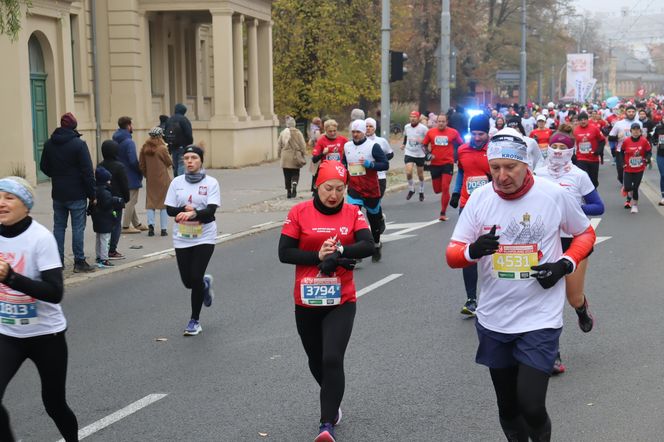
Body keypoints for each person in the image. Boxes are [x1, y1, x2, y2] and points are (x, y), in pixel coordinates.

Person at [446, 130, 596, 442]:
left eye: (510, 167)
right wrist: (473, 250)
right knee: (508, 405)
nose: (502, 176)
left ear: (526, 165)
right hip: (494, 318)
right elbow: (452, 255)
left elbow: (585, 234)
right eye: (495, 168)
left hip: (540, 317)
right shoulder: (479, 200)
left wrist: (563, 265)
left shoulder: (553, 194)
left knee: (531, 404)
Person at [277, 160, 375, 442]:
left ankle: (326, 423)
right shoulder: (299, 212)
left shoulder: (352, 212)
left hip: (341, 299)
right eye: (328, 188)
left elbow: (367, 244)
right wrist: (317, 257)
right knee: (316, 359)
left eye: (340, 189)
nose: (333, 195)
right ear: (317, 187)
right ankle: (332, 399)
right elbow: (284, 252)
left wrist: (341, 250)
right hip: (306, 300)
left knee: (332, 357)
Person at [0, 176, 80, 442]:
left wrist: (11, 277)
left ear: (26, 205)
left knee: (54, 404)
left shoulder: (40, 239)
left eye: (9, 197)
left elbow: (54, 292)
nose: (1, 203)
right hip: (8, 334)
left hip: (46, 336)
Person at [534, 129, 604, 374]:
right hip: (543, 243)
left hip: (573, 241)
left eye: (563, 148)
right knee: (548, 300)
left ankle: (582, 309)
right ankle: (553, 354)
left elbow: (599, 206)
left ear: (571, 151)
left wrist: (572, 210)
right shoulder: (537, 174)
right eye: (554, 147)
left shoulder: (579, 175)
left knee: (572, 297)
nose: (558, 151)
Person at [165, 145, 220, 336]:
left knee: (195, 276)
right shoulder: (177, 182)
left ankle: (194, 320)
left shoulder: (211, 183)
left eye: (194, 157)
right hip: (183, 236)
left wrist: (194, 213)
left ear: (201, 161)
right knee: (188, 282)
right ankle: (204, 284)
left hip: (205, 234)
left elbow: (211, 210)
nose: (189, 161)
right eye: (186, 158)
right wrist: (182, 209)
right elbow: (170, 209)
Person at [39, 112, 96, 273]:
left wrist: (56, 175)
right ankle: (79, 261)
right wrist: (92, 195)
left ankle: (57, 262)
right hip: (77, 192)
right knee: (78, 227)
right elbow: (87, 172)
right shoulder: (79, 144)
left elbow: (44, 166)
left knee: (59, 226)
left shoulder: (49, 143)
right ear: (74, 126)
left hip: (58, 192)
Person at [449, 114, 491, 315]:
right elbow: (462, 172)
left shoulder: (493, 150)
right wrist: (456, 192)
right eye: (473, 133)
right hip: (468, 206)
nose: (476, 137)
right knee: (468, 252)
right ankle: (471, 299)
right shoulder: (463, 149)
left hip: (492, 206)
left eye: (481, 134)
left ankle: (494, 296)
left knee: (493, 251)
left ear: (487, 133)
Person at [343, 120, 389, 262]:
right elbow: (344, 163)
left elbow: (385, 164)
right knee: (353, 217)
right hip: (354, 188)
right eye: (353, 132)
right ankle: (357, 251)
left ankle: (376, 243)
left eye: (358, 132)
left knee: (373, 220)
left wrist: (370, 164)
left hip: (370, 189)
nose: (355, 134)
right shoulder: (347, 146)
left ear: (364, 132)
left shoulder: (373, 146)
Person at [422, 114, 464, 220]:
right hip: (435, 164)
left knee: (445, 188)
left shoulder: (453, 132)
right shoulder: (431, 132)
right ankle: (443, 197)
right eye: (439, 121)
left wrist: (458, 157)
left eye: (443, 121)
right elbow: (424, 145)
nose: (441, 123)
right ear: (436, 122)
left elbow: (462, 145)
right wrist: (427, 154)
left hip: (447, 163)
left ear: (447, 122)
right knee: (437, 190)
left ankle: (443, 213)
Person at [113, 116, 148, 234]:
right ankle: (126, 226)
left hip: (120, 173)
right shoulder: (129, 142)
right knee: (131, 201)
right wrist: (140, 170)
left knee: (129, 199)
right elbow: (133, 160)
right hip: (131, 175)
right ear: (128, 126)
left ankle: (136, 223)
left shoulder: (116, 139)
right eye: (131, 125)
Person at [98, 140, 130, 260]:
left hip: (103, 199)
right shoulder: (119, 166)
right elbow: (124, 184)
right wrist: (126, 199)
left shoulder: (100, 165)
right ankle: (112, 250)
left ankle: (103, 249)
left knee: (105, 225)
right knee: (116, 225)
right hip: (117, 200)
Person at [139, 127, 173, 236]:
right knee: (163, 204)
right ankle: (163, 229)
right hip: (163, 178)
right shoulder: (162, 148)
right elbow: (169, 162)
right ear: (160, 136)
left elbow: (141, 164)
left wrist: (146, 175)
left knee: (151, 203)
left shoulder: (144, 148)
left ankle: (151, 227)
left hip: (151, 179)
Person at [89, 167, 124, 268]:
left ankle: (99, 256)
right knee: (105, 239)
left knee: (99, 238)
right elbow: (107, 204)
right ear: (105, 181)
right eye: (108, 180)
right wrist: (115, 200)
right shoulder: (105, 192)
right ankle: (104, 259)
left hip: (97, 219)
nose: (110, 182)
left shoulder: (96, 190)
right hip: (105, 219)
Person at [621, 123, 652, 213]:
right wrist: (622, 163)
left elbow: (649, 152)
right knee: (628, 187)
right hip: (628, 168)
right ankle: (627, 190)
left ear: (640, 131)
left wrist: (646, 158)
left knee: (635, 187)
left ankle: (634, 205)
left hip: (639, 168)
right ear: (630, 131)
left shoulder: (644, 141)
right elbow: (621, 152)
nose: (636, 131)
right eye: (634, 130)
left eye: (637, 130)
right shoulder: (626, 141)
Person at [311, 120, 348, 193]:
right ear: (325, 130)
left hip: (338, 170)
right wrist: (323, 153)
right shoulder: (321, 141)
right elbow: (314, 159)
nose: (333, 133)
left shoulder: (342, 139)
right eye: (330, 131)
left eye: (334, 131)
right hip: (326, 170)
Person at [401, 111, 429, 201]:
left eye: (414, 117)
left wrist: (426, 147)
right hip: (409, 152)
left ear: (418, 118)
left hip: (420, 153)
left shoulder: (423, 128)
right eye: (411, 117)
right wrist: (404, 144)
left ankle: (421, 190)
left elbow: (428, 138)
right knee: (408, 172)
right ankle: (411, 189)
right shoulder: (406, 127)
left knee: (420, 174)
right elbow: (406, 136)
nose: (412, 118)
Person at [278, 117, 308, 198]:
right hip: (295, 155)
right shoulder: (298, 133)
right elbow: (302, 144)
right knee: (295, 172)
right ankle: (294, 183)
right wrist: (304, 153)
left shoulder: (283, 133)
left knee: (286, 174)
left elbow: (279, 145)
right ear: (294, 124)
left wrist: (279, 155)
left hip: (285, 156)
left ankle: (288, 191)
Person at [573, 113, 605, 188]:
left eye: (584, 119)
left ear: (588, 120)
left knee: (593, 181)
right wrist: (573, 155)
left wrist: (598, 150)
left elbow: (602, 140)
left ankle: (594, 192)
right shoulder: (575, 130)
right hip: (581, 158)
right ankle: (584, 196)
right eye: (581, 120)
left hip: (593, 158)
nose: (583, 121)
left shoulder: (594, 128)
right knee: (583, 178)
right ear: (578, 121)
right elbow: (572, 144)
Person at [365, 117, 394, 198]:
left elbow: (390, 154)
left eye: (370, 126)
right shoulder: (360, 141)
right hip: (365, 176)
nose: (368, 128)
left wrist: (380, 161)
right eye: (366, 126)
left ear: (374, 128)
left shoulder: (381, 141)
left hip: (380, 176)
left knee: (377, 200)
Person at [164, 103, 194, 177]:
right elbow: (188, 134)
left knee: (175, 166)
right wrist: (189, 145)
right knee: (181, 165)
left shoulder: (169, 120)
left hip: (172, 147)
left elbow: (165, 133)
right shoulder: (184, 120)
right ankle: (181, 183)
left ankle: (176, 181)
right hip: (182, 147)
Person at [652, 118, 664, 205]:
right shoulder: (659, 128)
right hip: (661, 154)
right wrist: (655, 142)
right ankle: (663, 197)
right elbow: (654, 138)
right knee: (663, 175)